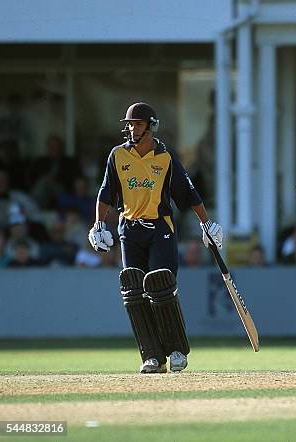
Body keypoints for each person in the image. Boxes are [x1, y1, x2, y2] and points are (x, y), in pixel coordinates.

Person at [88, 102, 223, 374]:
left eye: (137, 123)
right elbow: (106, 194)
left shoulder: (166, 157)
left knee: (161, 285)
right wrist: (98, 224)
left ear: (151, 126)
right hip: (129, 230)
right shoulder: (117, 156)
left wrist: (206, 223)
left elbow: (188, 194)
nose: (132, 128)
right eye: (130, 124)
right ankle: (151, 356)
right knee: (134, 289)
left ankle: (175, 351)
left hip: (160, 228)